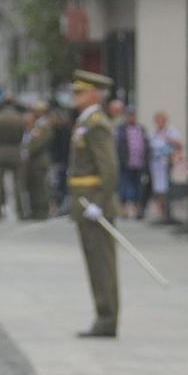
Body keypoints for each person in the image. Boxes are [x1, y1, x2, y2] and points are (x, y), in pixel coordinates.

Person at [66, 70, 121, 338]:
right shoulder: (85, 121)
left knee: (102, 263)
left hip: (93, 202)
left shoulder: (96, 123)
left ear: (93, 95)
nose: (75, 96)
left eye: (80, 92)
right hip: (84, 201)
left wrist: (99, 202)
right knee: (94, 262)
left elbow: (108, 168)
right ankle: (103, 315)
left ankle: (107, 318)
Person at [0, 94, 27, 220]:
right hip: (15, 150)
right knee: (18, 184)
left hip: (0, 150)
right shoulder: (19, 118)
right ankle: (21, 212)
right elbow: (22, 135)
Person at [148, 110, 182, 223]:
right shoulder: (155, 133)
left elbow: (180, 145)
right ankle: (162, 213)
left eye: (161, 120)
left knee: (166, 189)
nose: (159, 123)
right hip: (156, 164)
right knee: (158, 190)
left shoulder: (170, 131)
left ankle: (167, 214)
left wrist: (170, 140)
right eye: (157, 121)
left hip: (167, 163)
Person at [116, 107, 150, 220]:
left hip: (139, 163)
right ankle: (123, 210)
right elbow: (118, 146)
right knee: (124, 186)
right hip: (126, 163)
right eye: (129, 115)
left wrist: (146, 160)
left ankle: (136, 209)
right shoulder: (121, 129)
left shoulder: (141, 129)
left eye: (133, 115)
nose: (132, 117)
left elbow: (146, 145)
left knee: (138, 187)